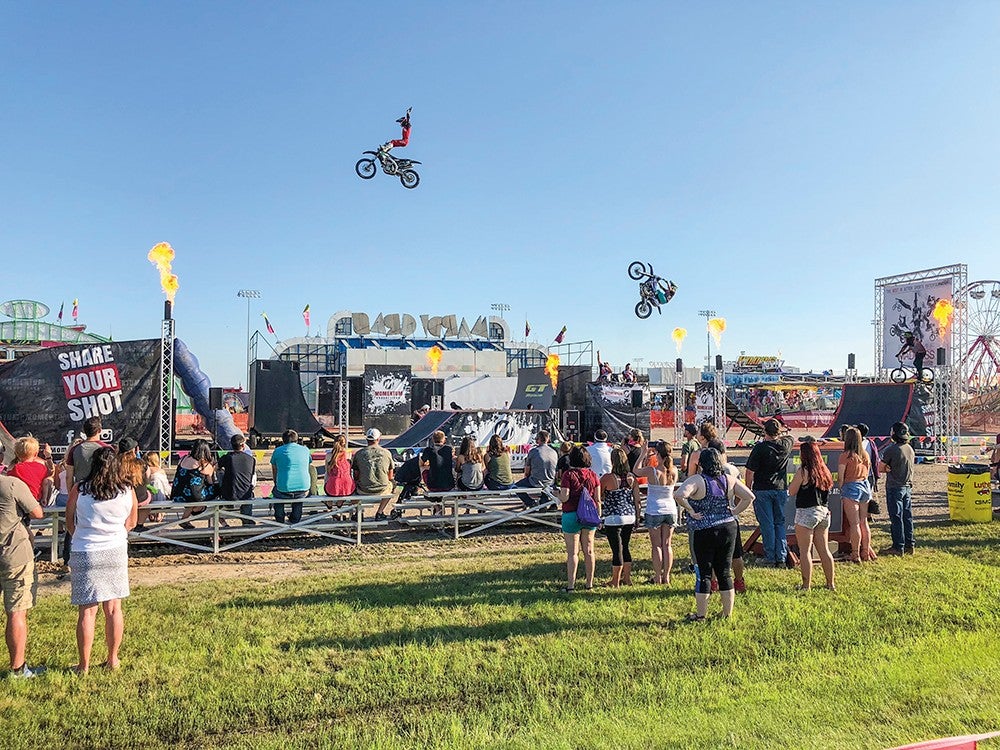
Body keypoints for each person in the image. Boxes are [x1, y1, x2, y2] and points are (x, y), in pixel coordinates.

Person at [65, 447, 138, 673]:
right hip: (114, 549)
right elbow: (132, 522)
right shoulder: (127, 490)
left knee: (87, 611)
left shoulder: (80, 489)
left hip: (85, 549)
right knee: (114, 608)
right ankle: (112, 659)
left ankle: (83, 665)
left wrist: (80, 535)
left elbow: (69, 521)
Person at [674, 448, 755, 621]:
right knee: (725, 572)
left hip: (704, 530)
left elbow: (679, 495)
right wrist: (734, 511)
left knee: (704, 573)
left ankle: (701, 615)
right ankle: (727, 614)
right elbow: (749, 496)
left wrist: (691, 510)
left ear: (701, 464)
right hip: (728, 528)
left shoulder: (697, 480)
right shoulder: (729, 479)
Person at [1, 474, 44, 677]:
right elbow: (37, 513)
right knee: (16, 612)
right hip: (13, 554)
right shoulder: (11, 484)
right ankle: (18, 669)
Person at [744, 418, 794, 568]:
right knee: (779, 523)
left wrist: (748, 488)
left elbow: (749, 472)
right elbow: (791, 436)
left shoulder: (760, 448)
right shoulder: (786, 444)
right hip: (780, 489)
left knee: (767, 524)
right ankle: (781, 556)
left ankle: (770, 557)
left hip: (762, 488)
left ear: (765, 432)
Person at [788, 441, 836, 591]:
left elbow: (792, 491)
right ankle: (830, 584)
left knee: (805, 551)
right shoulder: (825, 471)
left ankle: (806, 585)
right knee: (824, 550)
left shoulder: (803, 471)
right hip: (824, 512)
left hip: (806, 512)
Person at [634, 441, 678, 586]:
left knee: (656, 546)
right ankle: (667, 576)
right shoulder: (674, 471)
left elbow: (636, 470)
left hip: (654, 510)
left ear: (658, 454)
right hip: (671, 509)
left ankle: (658, 576)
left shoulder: (652, 470)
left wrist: (642, 454)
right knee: (667, 545)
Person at [558, 446, 601, 592]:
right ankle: (589, 584)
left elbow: (565, 497)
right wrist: (598, 517)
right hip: (589, 514)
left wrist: (557, 493)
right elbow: (598, 499)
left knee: (573, 553)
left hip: (571, 513)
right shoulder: (593, 475)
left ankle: (571, 585)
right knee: (589, 550)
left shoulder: (568, 475)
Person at [599, 448, 641, 588]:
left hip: (614, 516)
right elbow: (637, 500)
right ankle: (627, 578)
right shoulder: (632, 478)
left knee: (616, 550)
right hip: (629, 515)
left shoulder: (607, 478)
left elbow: (599, 496)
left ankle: (615, 580)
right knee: (626, 547)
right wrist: (637, 517)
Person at [839, 427, 875, 563]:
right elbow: (868, 470)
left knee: (854, 524)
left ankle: (855, 553)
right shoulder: (865, 454)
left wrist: (841, 488)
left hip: (851, 486)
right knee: (863, 522)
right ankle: (865, 551)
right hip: (864, 486)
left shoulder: (845, 456)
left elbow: (841, 477)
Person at [880, 422, 916, 556]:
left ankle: (898, 546)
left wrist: (887, 468)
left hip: (895, 487)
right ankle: (909, 544)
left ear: (894, 433)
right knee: (907, 516)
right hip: (907, 486)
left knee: (896, 517)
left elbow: (880, 467)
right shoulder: (909, 448)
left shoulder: (892, 449)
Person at [170, 439, 218, 529]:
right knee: (216, 490)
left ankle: (185, 519)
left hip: (177, 494)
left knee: (192, 499)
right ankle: (218, 518)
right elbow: (210, 482)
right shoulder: (204, 464)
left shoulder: (183, 459)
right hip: (195, 496)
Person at [269, 430, 311, 525]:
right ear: (297, 440)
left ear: (283, 441)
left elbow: (274, 471)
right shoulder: (305, 450)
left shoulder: (277, 451)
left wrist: (276, 482)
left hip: (284, 488)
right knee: (298, 496)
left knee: (277, 492)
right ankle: (295, 517)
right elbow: (307, 466)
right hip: (303, 488)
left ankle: (280, 517)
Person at [352, 429, 395, 520]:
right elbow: (390, 475)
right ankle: (380, 512)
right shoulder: (387, 453)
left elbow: (356, 474)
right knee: (392, 485)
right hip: (382, 488)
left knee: (352, 488)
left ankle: (358, 512)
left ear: (367, 439)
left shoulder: (359, 453)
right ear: (378, 439)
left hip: (363, 489)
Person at [218, 434, 258, 526]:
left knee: (220, 472)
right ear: (243, 445)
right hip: (246, 493)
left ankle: (228, 510)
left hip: (229, 493)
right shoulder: (251, 459)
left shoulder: (228, 457)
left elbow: (216, 467)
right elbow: (252, 476)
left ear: (231, 445)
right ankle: (246, 518)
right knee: (249, 488)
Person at [5, 436, 50, 502]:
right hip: (35, 500)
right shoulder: (41, 467)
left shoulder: (15, 468)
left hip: (19, 500)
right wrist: (44, 498)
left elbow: (10, 481)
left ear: (17, 454)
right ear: (36, 454)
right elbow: (46, 482)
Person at [323, 434, 355, 510]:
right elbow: (350, 472)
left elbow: (327, 473)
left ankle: (329, 503)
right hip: (348, 488)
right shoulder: (349, 455)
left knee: (331, 484)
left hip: (333, 486)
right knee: (344, 482)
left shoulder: (329, 456)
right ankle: (340, 501)